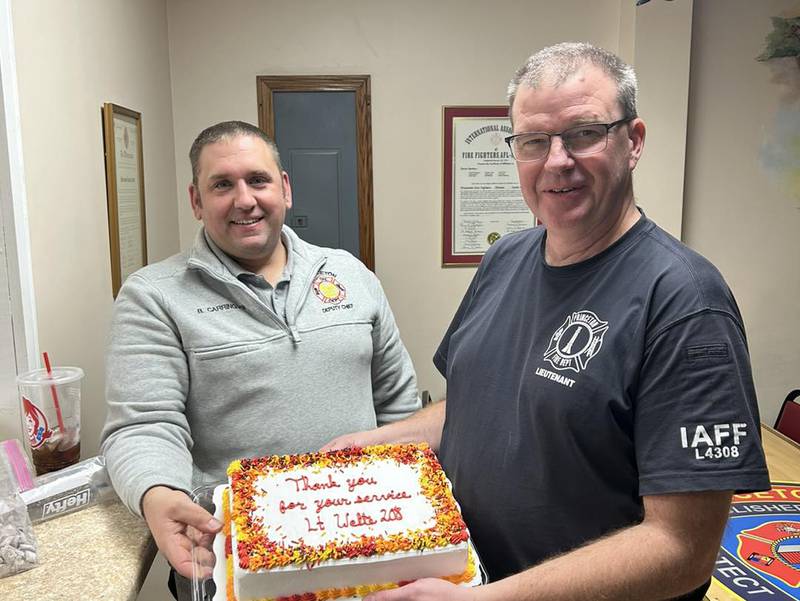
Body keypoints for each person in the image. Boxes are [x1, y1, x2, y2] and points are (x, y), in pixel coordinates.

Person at [323, 43, 770, 601]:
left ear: (632, 142)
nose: (557, 161)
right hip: (469, 573)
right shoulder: (504, 258)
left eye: (584, 133)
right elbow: (475, 410)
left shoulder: (684, 301)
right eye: (534, 141)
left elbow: (682, 550)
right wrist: (371, 443)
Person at [100, 121, 420, 598]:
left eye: (258, 180)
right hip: (236, 559)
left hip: (363, 546)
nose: (244, 199)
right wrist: (158, 493)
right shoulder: (154, 296)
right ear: (196, 200)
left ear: (285, 189)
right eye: (222, 185)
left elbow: (397, 401)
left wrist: (408, 507)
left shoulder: (350, 274)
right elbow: (144, 424)